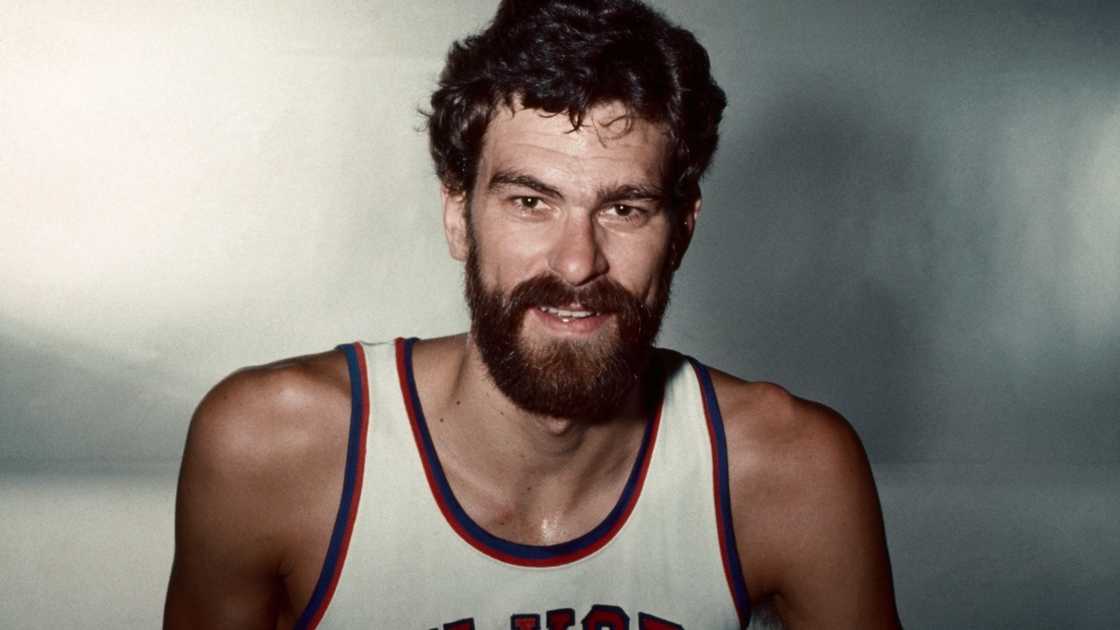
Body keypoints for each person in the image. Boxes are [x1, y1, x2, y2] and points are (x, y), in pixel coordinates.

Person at [164, 0, 902, 628]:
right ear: (458, 214)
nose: (577, 263)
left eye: (624, 207)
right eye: (530, 201)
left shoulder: (790, 473)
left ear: (681, 231)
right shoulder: (274, 451)